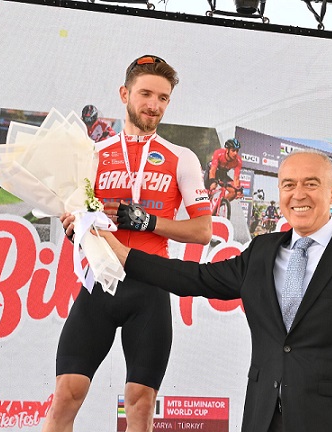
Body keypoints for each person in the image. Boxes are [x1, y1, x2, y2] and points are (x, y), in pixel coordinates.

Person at [75, 150, 332, 432]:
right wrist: (122, 254)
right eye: (289, 185)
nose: (298, 194)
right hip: (263, 419)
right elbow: (195, 278)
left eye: (311, 184)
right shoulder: (262, 252)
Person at [43, 55, 213, 432]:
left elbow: (203, 230)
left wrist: (147, 221)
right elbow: (76, 214)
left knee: (140, 403)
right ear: (125, 94)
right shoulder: (93, 154)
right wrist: (74, 226)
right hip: (99, 283)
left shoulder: (181, 158)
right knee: (65, 396)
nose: (154, 105)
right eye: (146, 94)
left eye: (163, 98)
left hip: (149, 286)